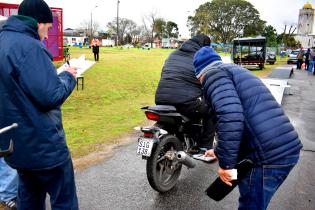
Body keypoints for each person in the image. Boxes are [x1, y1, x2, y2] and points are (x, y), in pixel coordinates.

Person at [193, 46, 302, 210]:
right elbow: (242, 114)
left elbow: (231, 116)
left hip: (266, 157)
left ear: (200, 74)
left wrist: (226, 165)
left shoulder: (212, 75)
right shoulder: (234, 71)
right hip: (283, 148)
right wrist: (218, 151)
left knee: (251, 206)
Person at [0, 0, 79, 209]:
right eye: (47, 28)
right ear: (38, 23)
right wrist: (68, 77)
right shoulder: (31, 47)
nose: (46, 36)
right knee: (64, 201)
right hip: (44, 146)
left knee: (29, 199)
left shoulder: (2, 41)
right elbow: (50, 96)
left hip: (15, 145)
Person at [155, 35, 215, 151]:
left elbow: (164, 73)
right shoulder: (201, 58)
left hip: (160, 98)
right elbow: (206, 80)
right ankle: (205, 147)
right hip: (184, 101)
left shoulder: (173, 54)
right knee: (211, 111)